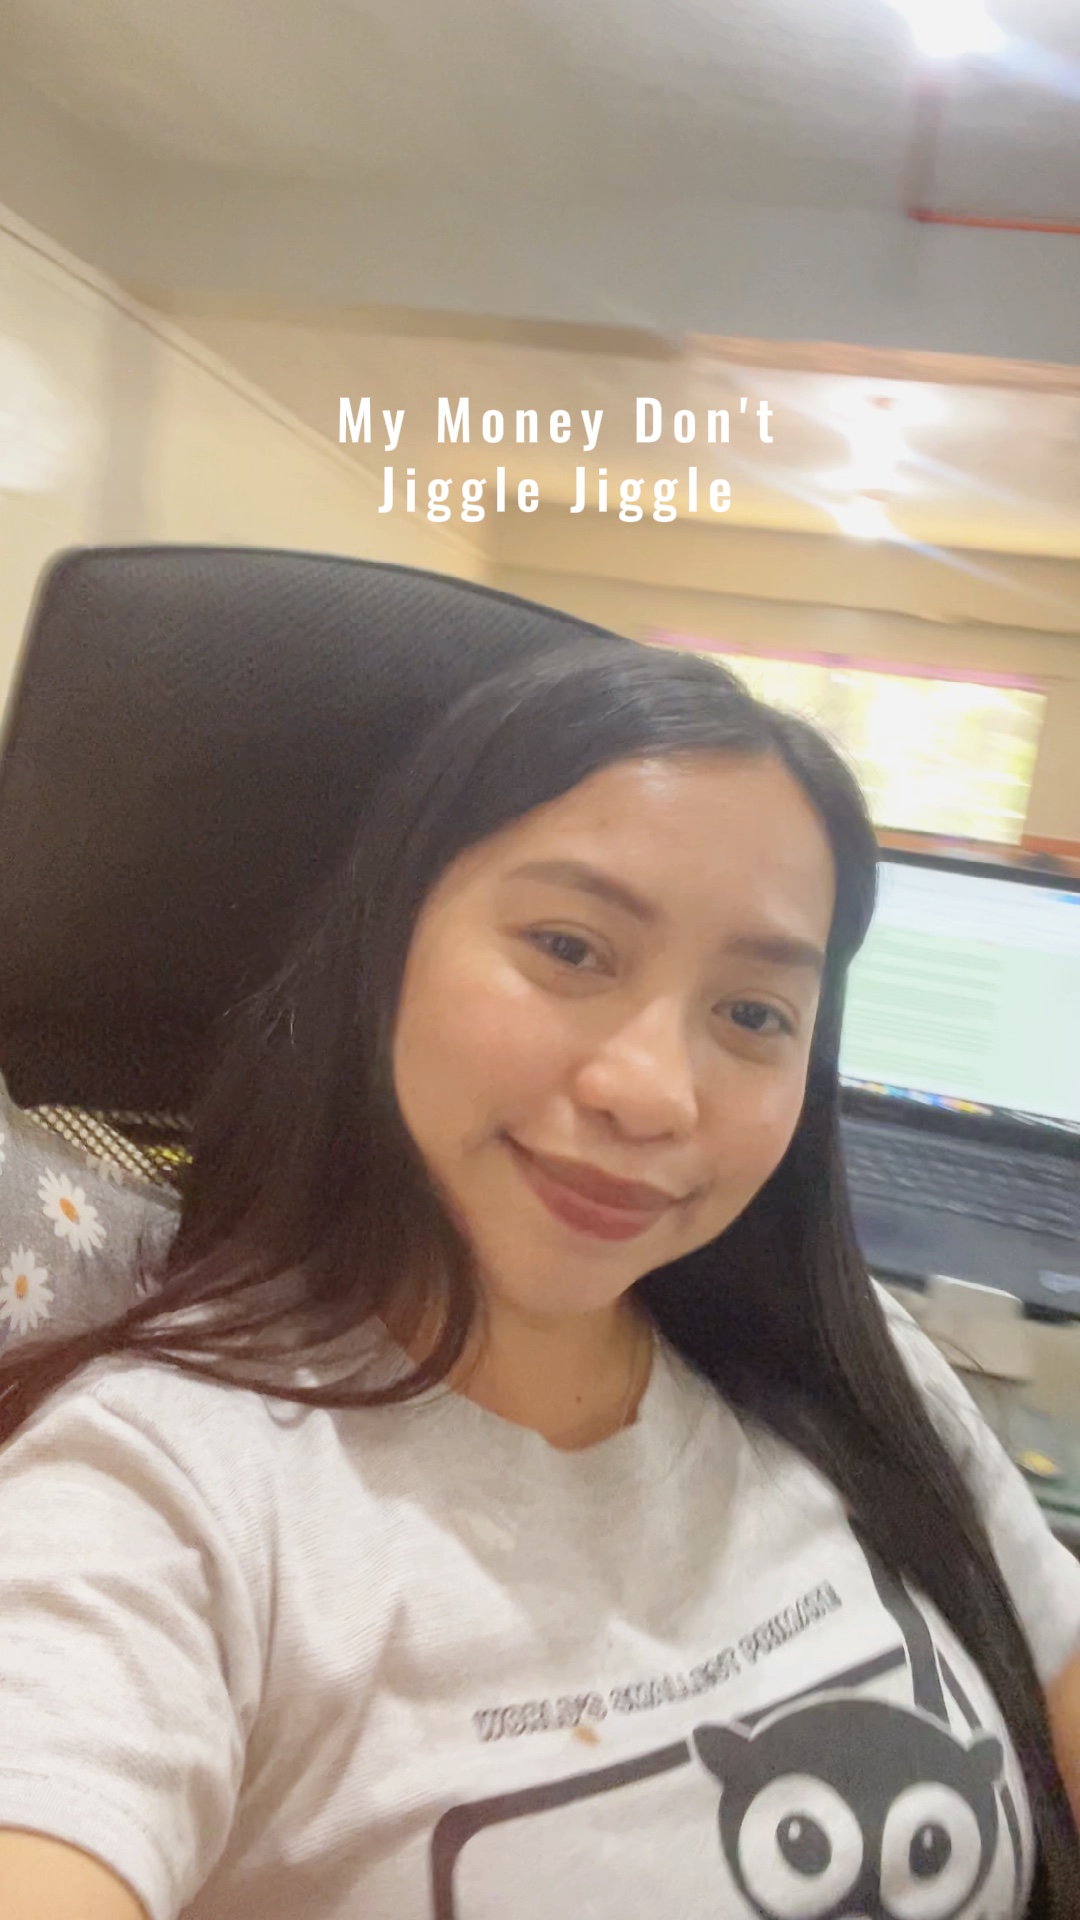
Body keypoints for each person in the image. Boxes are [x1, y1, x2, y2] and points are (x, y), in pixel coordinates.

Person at [0, 639, 1076, 1920]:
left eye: (753, 1014)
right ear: (386, 946)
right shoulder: (165, 1501)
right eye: (571, 946)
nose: (653, 1094)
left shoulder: (855, 1368)